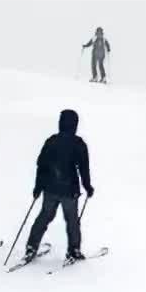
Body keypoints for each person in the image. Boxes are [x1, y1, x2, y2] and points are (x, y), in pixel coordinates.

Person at [24, 109, 93, 263]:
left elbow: (41, 166)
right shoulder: (78, 144)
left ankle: (31, 246)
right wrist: (88, 187)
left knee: (45, 216)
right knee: (72, 220)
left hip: (50, 188)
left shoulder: (51, 141)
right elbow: (84, 168)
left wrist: (38, 187)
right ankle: (74, 249)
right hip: (69, 190)